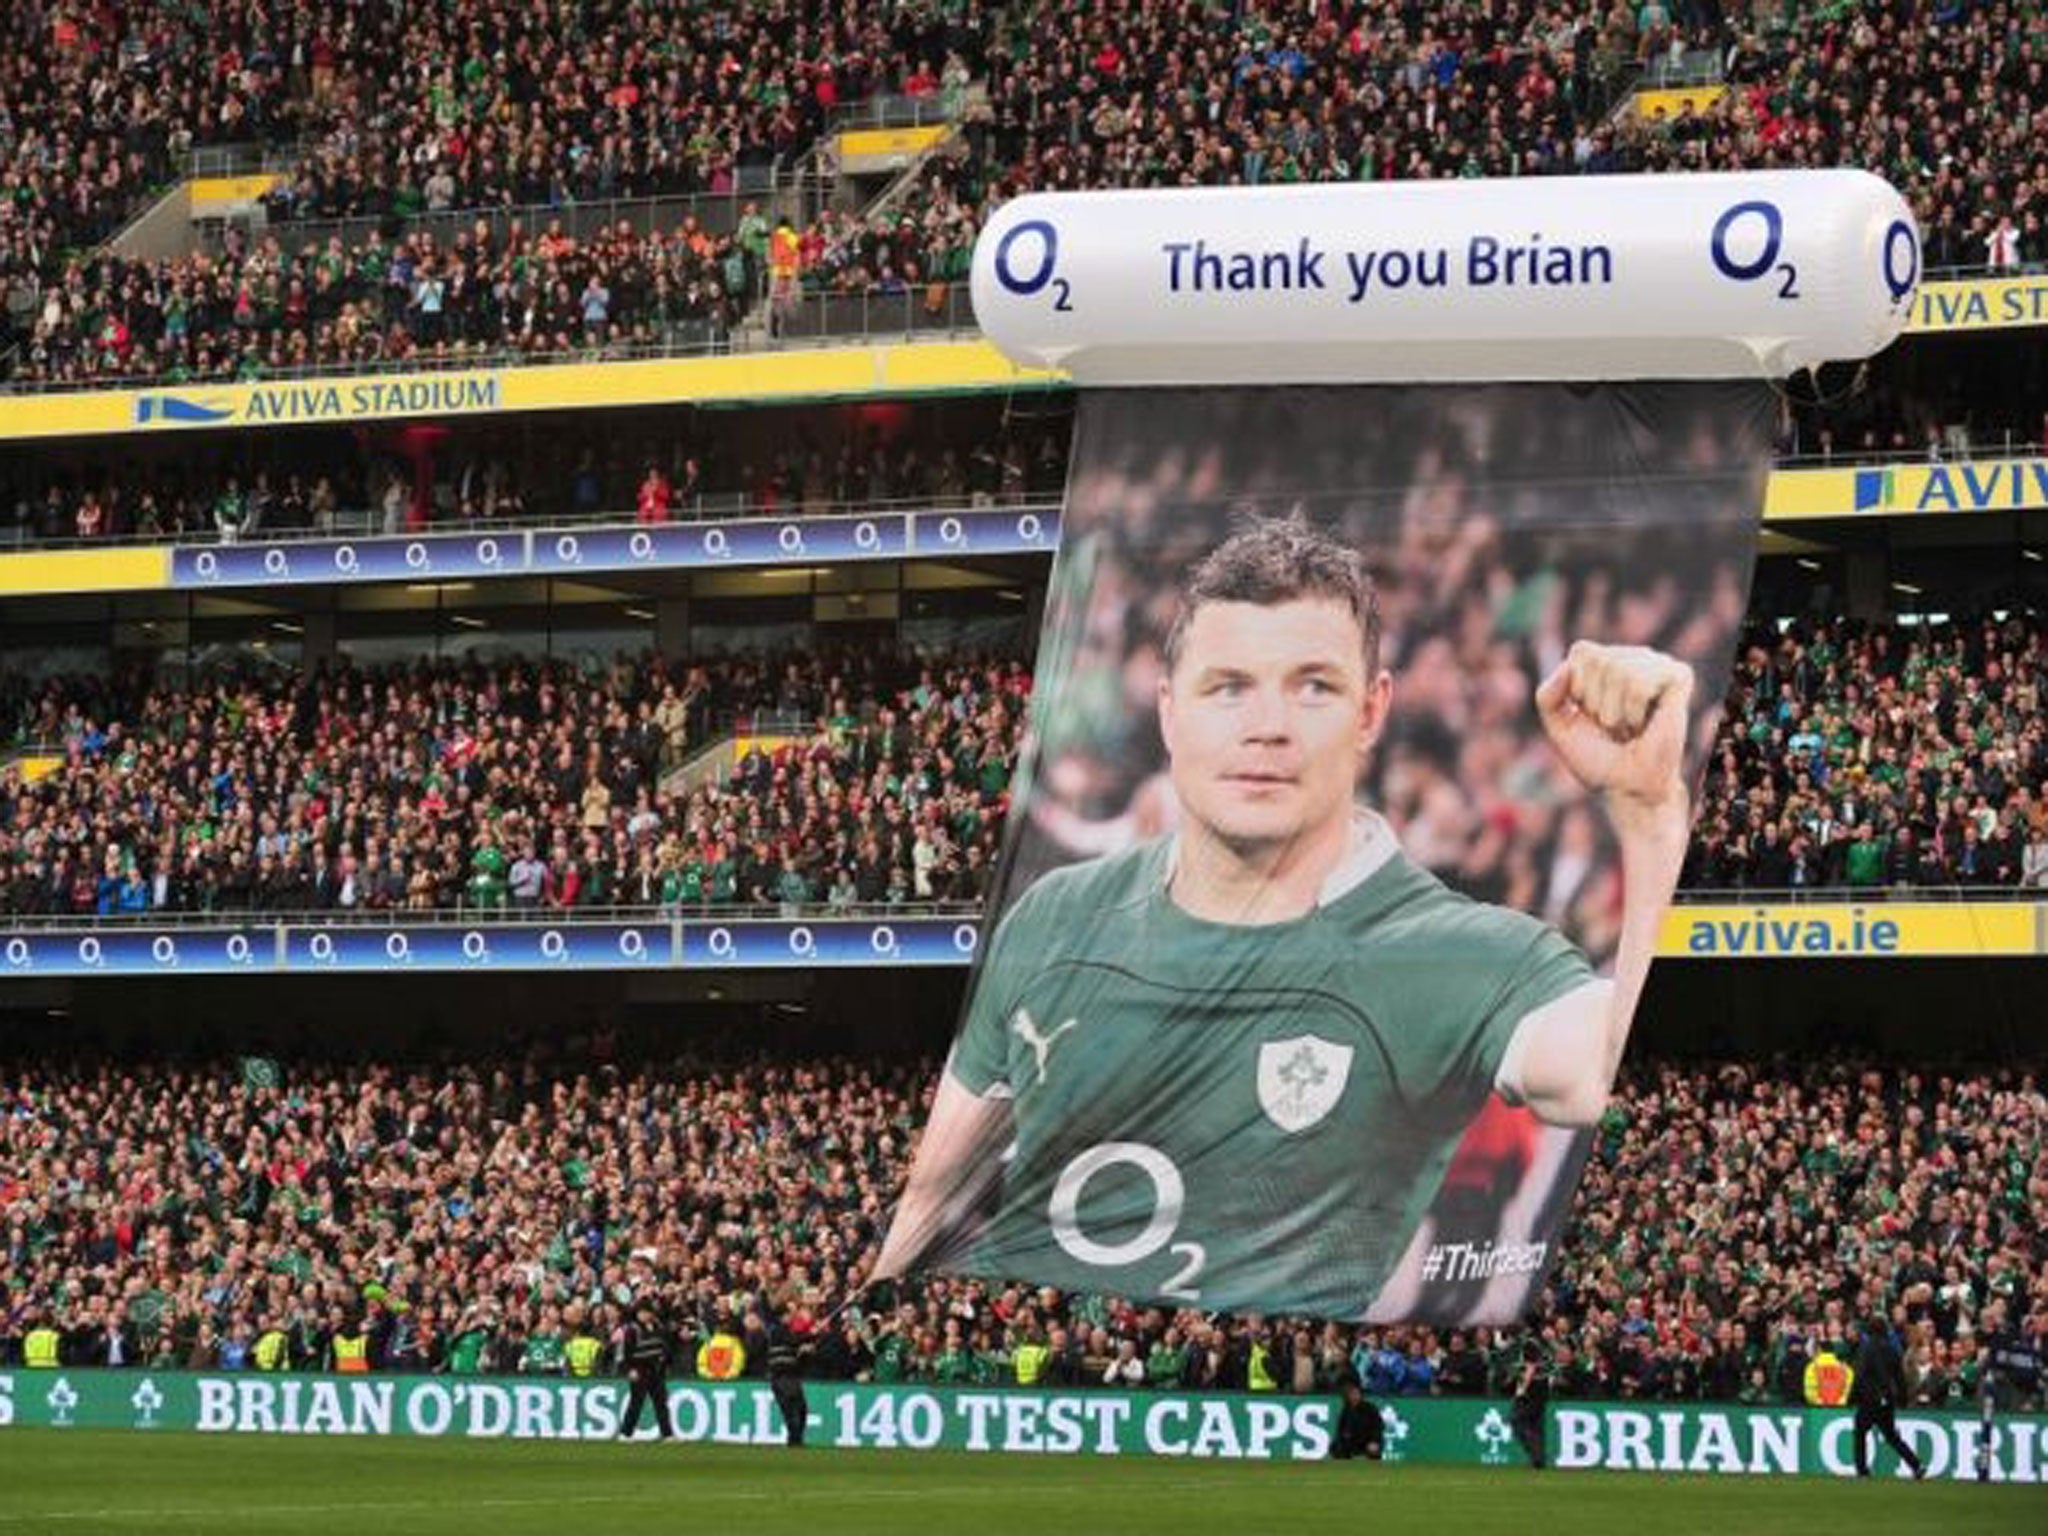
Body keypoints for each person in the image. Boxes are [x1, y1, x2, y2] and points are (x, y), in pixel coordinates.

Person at [875, 517, 1695, 1317]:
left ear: (1370, 712)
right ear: (1169, 712)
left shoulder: (1455, 955)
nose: (1267, 728)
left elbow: (1593, 1072)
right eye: (1229, 688)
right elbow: (932, 1188)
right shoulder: (1055, 917)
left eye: (1313, 687)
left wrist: (1652, 817)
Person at [1851, 1317, 1926, 1479]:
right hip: (1887, 1399)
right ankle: (1916, 1465)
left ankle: (1862, 1470)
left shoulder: (1866, 1348)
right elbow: (1900, 1377)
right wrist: (1902, 1399)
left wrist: (1853, 1396)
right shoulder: (1892, 1349)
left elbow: (1860, 1374)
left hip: (1869, 1399)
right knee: (1892, 1436)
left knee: (1860, 1433)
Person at [617, 1301, 675, 1442]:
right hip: (639, 1369)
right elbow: (626, 1353)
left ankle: (667, 1434)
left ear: (651, 1313)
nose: (643, 1315)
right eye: (640, 1312)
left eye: (645, 1312)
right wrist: (629, 1369)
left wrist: (665, 1362)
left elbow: (665, 1348)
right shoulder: (633, 1330)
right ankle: (625, 1433)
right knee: (636, 1403)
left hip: (655, 1369)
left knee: (661, 1403)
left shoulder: (658, 1328)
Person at [766, 1314, 812, 1447]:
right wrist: (810, 1334)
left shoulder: (790, 1336)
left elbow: (797, 1355)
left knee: (800, 1409)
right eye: (788, 1314)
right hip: (781, 1377)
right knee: (791, 1410)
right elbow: (792, 1340)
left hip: (792, 1376)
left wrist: (804, 1351)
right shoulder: (777, 1331)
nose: (791, 1317)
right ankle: (794, 1439)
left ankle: (796, 1439)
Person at [1330, 1373, 1386, 1461]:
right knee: (1336, 1447)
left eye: (1356, 1393)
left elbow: (1379, 1426)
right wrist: (1342, 1439)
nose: (1355, 1396)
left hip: (1368, 1440)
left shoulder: (1370, 1408)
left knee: (1373, 1449)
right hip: (1353, 1441)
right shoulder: (1346, 1410)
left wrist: (1374, 1440)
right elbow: (1341, 1429)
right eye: (1352, 1394)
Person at [1511, 1352, 1550, 1468]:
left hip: (1529, 1399)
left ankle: (1536, 1455)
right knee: (1534, 1429)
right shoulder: (1542, 1367)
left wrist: (1521, 1391)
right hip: (1537, 1399)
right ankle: (1538, 1457)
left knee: (1520, 1424)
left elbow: (1529, 1372)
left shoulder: (1531, 1367)